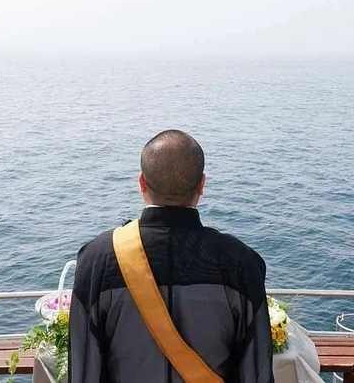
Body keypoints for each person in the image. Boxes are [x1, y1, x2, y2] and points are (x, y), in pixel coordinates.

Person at [69, 130, 274, 383]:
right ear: (202, 184)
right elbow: (256, 370)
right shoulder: (240, 263)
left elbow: (84, 365)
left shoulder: (97, 260)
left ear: (142, 183)